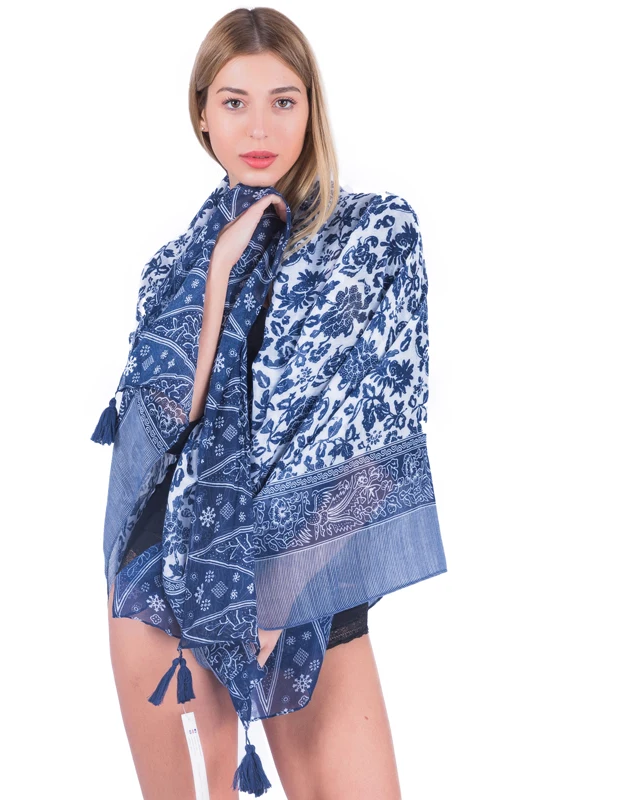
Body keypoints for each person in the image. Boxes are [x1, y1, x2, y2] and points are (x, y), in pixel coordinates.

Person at [98, 8, 446, 798]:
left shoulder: (376, 234)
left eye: (283, 101)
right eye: (234, 102)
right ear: (202, 114)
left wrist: (272, 602)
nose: (259, 127)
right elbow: (155, 428)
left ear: (311, 108)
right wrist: (219, 268)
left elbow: (377, 425)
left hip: (313, 578)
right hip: (174, 586)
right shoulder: (173, 267)